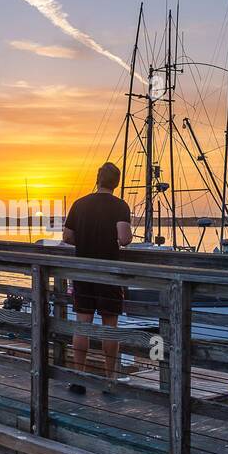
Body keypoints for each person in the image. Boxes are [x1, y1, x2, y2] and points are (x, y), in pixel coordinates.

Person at [62, 162, 132, 393]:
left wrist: (85, 240)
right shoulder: (120, 206)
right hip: (108, 273)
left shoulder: (80, 204)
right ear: (116, 182)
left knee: (82, 325)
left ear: (97, 179)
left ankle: (78, 378)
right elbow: (124, 239)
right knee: (109, 325)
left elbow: (68, 236)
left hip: (83, 270)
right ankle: (109, 379)